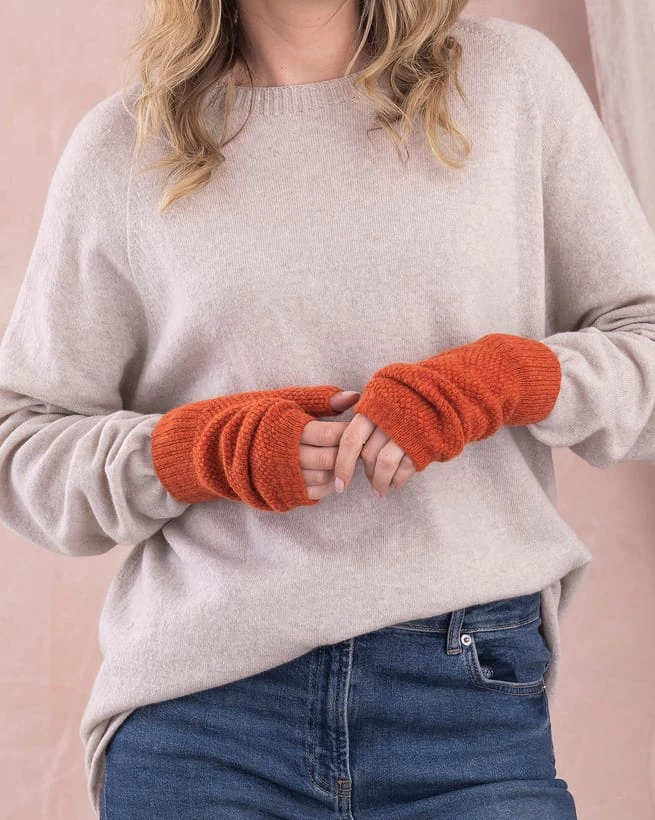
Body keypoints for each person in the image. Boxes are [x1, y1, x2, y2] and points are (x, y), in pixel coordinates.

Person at [1, 0, 654, 816]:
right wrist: (198, 452)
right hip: (205, 714)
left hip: (464, 702)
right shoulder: (126, 145)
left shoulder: (509, 82)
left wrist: (504, 380)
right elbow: (22, 445)